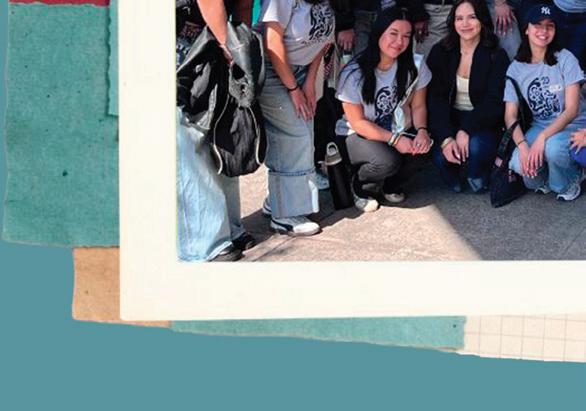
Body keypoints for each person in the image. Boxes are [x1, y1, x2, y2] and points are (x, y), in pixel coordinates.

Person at [176, 0, 256, 262]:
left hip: (207, 43)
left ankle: (224, 230)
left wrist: (236, 45)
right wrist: (231, 45)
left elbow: (244, 6)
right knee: (189, 140)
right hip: (186, 43)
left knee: (217, 136)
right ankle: (207, 240)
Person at [335, 7, 433, 212]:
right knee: (387, 160)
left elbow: (418, 105)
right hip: (356, 134)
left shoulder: (415, 65)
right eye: (393, 34)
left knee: (424, 150)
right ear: (379, 33)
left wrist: (422, 131)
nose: (399, 42)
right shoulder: (354, 72)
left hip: (395, 127)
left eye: (406, 36)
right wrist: (396, 140)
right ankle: (361, 187)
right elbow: (358, 122)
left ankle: (390, 185)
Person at [259, 0, 336, 236]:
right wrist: (293, 88)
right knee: (293, 138)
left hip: (304, 70)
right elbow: (272, 41)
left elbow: (321, 40)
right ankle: (284, 216)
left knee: (304, 137)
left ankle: (278, 201)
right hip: (275, 69)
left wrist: (310, 80)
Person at [427, 0, 510, 193]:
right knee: (440, 156)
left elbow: (495, 102)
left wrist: (466, 129)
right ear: (453, 22)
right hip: (450, 118)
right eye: (459, 18)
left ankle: (478, 172)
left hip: (483, 119)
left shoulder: (496, 54)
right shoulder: (440, 52)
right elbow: (435, 99)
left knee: (476, 147)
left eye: (472, 17)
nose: (465, 24)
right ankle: (452, 171)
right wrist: (446, 138)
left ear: (482, 20)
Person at [506, 3, 586, 201]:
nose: (543, 31)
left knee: (553, 149)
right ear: (526, 29)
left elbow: (572, 110)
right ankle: (551, 174)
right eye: (537, 25)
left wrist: (542, 138)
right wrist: (523, 146)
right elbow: (510, 115)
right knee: (519, 165)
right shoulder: (515, 68)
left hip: (572, 125)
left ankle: (571, 179)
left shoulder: (565, 58)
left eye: (550, 26)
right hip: (540, 125)